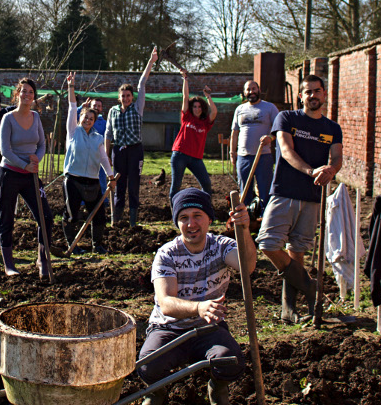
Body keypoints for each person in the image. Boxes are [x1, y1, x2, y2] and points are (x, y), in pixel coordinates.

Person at [137, 188, 254, 405]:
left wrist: (244, 229)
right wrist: (198, 308)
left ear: (209, 218)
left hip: (208, 328)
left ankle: (217, 389)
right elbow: (166, 303)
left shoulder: (221, 246)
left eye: (197, 216)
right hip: (169, 328)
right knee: (147, 365)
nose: (191, 224)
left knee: (231, 361)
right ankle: (156, 392)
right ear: (177, 223)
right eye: (184, 218)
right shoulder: (167, 254)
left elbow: (246, 267)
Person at [256, 75, 343, 324]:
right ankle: (308, 285)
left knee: (298, 251)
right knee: (268, 244)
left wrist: (331, 170)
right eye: (308, 92)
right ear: (300, 96)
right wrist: (310, 171)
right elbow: (286, 150)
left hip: (313, 197)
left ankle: (288, 310)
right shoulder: (287, 118)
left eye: (317, 91)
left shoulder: (332, 128)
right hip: (284, 191)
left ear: (324, 94)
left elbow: (337, 157)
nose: (313, 96)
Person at [0, 77, 55, 279]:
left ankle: (42, 260)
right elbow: (5, 150)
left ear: (34, 96)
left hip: (31, 176)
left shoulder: (36, 118)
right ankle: (9, 264)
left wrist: (37, 161)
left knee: (46, 217)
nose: (27, 95)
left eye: (31, 92)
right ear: (17, 94)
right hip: (10, 173)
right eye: (23, 91)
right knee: (7, 219)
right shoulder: (8, 119)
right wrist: (24, 165)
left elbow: (42, 145)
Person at [63, 72, 116, 255]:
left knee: (99, 215)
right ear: (81, 118)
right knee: (72, 215)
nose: (87, 120)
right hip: (73, 179)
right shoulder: (73, 132)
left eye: (91, 119)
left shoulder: (98, 137)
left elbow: (103, 159)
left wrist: (110, 177)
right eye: (85, 117)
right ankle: (72, 245)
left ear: (94, 122)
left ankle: (97, 245)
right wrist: (71, 86)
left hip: (92, 181)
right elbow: (71, 107)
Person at [105, 47, 158, 227]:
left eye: (128, 96)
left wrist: (151, 61)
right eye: (123, 96)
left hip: (135, 151)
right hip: (118, 151)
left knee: (133, 187)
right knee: (119, 187)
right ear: (119, 97)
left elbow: (142, 83)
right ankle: (116, 221)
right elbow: (108, 134)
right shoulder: (112, 111)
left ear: (132, 97)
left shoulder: (137, 108)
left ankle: (133, 223)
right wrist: (107, 154)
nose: (126, 98)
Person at [230, 81, 279, 216]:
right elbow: (234, 132)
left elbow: (278, 130)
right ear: (244, 93)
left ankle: (265, 220)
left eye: (253, 89)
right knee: (244, 191)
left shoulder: (269, 108)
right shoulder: (240, 109)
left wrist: (271, 138)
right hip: (243, 157)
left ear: (259, 90)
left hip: (263, 156)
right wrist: (232, 152)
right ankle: (246, 221)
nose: (251, 92)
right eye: (248, 90)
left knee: (265, 190)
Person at [169, 69, 218, 199]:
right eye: (195, 107)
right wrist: (185, 79)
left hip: (196, 158)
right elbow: (185, 97)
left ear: (203, 109)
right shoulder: (186, 117)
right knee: (176, 185)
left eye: (199, 107)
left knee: (207, 184)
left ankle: (206, 211)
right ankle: (175, 212)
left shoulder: (205, 123)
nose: (197, 109)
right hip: (180, 154)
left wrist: (208, 96)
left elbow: (214, 112)